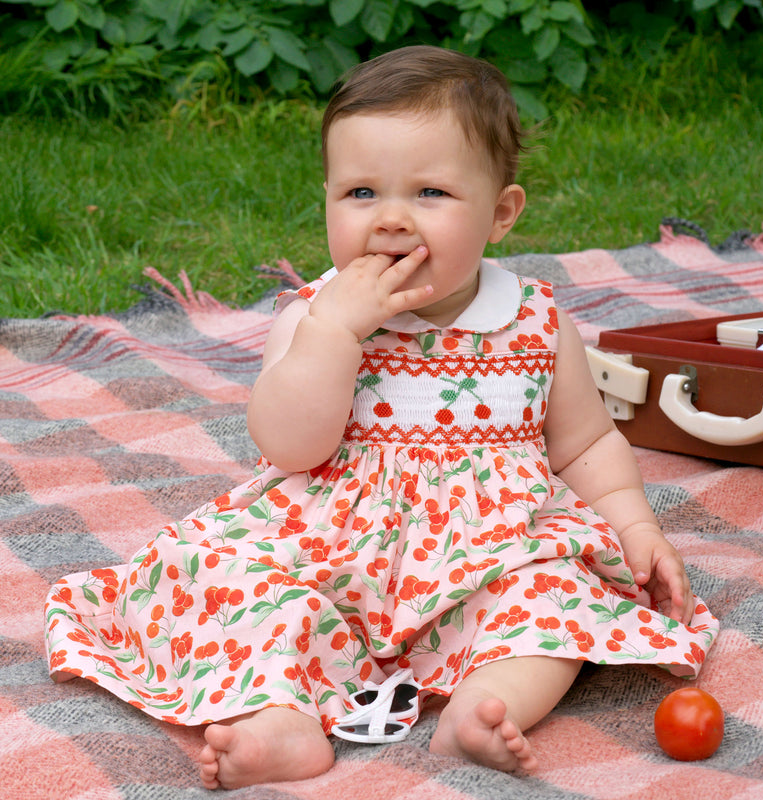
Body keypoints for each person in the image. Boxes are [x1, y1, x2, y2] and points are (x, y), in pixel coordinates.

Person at [45, 45, 718, 790]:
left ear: (501, 213)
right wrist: (336, 334)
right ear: (328, 198)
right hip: (326, 549)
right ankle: (280, 719)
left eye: (429, 193)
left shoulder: (532, 320)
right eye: (362, 194)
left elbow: (587, 443)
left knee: (555, 597)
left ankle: (486, 705)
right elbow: (289, 446)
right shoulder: (315, 315)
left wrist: (635, 530)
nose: (392, 220)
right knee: (235, 586)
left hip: (484, 554)